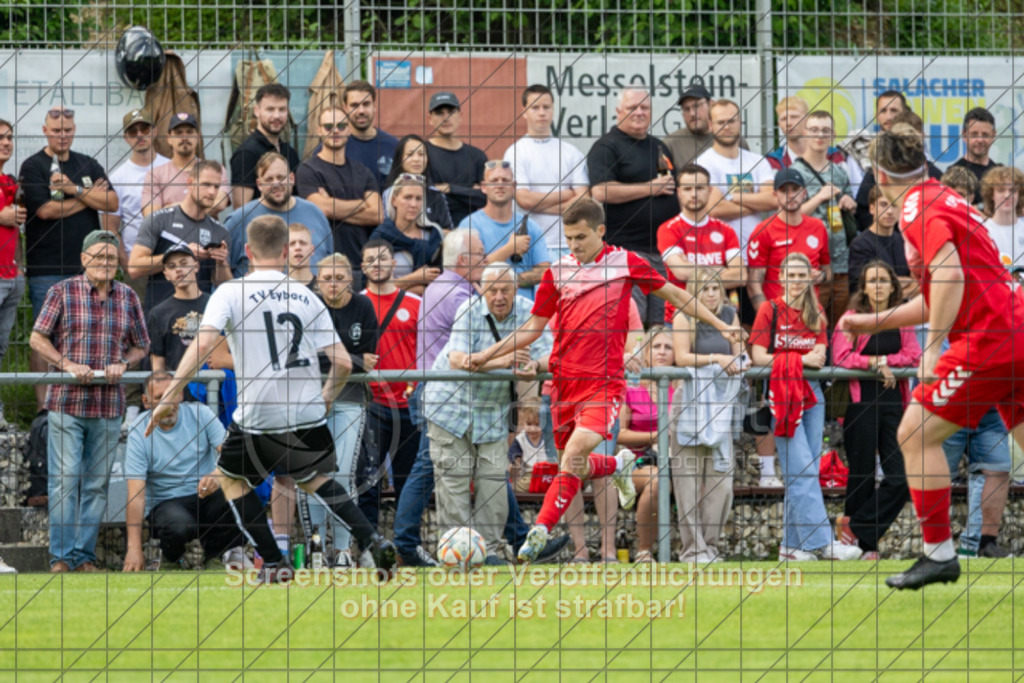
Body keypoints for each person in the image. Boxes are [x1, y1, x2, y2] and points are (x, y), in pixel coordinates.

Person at [467, 198, 741, 562]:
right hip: (564, 386)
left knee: (577, 452)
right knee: (573, 465)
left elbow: (675, 294)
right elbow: (532, 329)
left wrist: (723, 325)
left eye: (581, 237)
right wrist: (487, 355)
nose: (575, 245)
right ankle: (618, 464)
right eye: (569, 238)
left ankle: (541, 531)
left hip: (604, 383)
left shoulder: (626, 263)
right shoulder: (557, 273)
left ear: (600, 231)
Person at [145, 214, 394, 581]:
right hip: (305, 409)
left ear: (247, 251)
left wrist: (169, 394)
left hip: (258, 412)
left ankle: (275, 562)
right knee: (314, 478)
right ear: (283, 251)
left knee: (232, 481)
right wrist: (326, 396)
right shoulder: (307, 295)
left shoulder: (231, 292)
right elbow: (342, 361)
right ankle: (371, 539)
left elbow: (203, 344)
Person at [839, 123, 1024, 589]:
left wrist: (935, 346)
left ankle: (938, 553)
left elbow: (949, 277)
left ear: (879, 173)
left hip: (989, 337)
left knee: (915, 434)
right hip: (1011, 327)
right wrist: (871, 322)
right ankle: (939, 554)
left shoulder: (918, 205)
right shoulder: (940, 195)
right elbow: (945, 286)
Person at [29, 230, 149, 573]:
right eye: (98, 258)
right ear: (84, 260)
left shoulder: (127, 297)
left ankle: (83, 557)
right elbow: (37, 338)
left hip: (109, 405)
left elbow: (142, 345)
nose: (106, 264)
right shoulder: (61, 292)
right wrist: (66, 364)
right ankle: (61, 559)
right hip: (67, 402)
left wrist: (124, 363)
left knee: (96, 484)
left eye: (111, 258)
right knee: (65, 481)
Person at [425, 262, 552, 564]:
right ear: (482, 290)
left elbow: (549, 353)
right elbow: (458, 360)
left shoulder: (529, 311)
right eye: (492, 290)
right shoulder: (468, 310)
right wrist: (505, 361)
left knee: (494, 482)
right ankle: (457, 557)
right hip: (450, 409)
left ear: (515, 289)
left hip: (492, 411)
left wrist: (535, 365)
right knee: (453, 482)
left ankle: (490, 553)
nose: (498, 296)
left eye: (505, 289)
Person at [750, 252, 861, 562]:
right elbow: (758, 356)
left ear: (811, 278)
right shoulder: (769, 310)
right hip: (783, 393)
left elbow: (821, 355)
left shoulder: (817, 313)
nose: (797, 281)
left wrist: (802, 359)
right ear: (781, 278)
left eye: (802, 275)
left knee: (807, 470)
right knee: (800, 471)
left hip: (812, 395)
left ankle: (791, 547)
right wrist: (799, 359)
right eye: (792, 275)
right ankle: (821, 543)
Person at [22, 107, 119, 408]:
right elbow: (45, 211)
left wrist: (71, 189)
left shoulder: (87, 163)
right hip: (47, 268)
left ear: (74, 130)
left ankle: (79, 402)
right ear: (45, 130)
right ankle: (43, 408)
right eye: (56, 130)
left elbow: (112, 202)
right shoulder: (33, 166)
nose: (62, 135)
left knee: (86, 333)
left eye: (67, 130)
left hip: (88, 271)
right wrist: (87, 197)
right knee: (44, 336)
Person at [833, 260, 920, 559]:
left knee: (901, 478)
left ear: (893, 286)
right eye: (872, 280)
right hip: (860, 404)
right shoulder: (851, 319)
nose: (878, 285)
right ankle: (863, 547)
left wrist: (885, 362)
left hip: (894, 404)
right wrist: (875, 364)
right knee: (862, 474)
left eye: (884, 280)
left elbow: (913, 355)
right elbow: (842, 357)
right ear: (864, 286)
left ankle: (854, 527)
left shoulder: (902, 318)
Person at [123, 372, 247, 571]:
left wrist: (218, 474)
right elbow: (135, 495)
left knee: (236, 488)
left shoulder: (202, 414)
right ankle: (172, 560)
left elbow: (233, 456)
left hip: (206, 493)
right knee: (178, 525)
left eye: (172, 395)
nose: (167, 404)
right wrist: (133, 549)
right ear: (146, 402)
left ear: (180, 395)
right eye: (159, 398)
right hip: (167, 503)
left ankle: (221, 557)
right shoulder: (138, 431)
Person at [588, 87, 679, 326]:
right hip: (627, 253)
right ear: (619, 111)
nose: (639, 112)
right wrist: (650, 188)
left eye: (644, 108)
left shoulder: (658, 146)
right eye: (632, 108)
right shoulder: (607, 147)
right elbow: (600, 191)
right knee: (633, 324)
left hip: (663, 254)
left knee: (662, 326)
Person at [671, 268, 743, 563]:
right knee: (687, 480)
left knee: (721, 481)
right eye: (703, 289)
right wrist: (717, 359)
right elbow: (682, 357)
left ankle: (710, 547)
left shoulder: (730, 315)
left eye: (714, 288)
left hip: (721, 405)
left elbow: (740, 351)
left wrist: (738, 358)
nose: (711, 294)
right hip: (689, 403)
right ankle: (693, 549)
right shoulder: (683, 317)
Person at [315, 253, 379, 567]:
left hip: (351, 397)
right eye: (327, 278)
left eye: (339, 278)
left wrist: (348, 361)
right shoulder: (310, 306)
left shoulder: (363, 307)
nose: (333, 284)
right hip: (312, 399)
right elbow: (305, 359)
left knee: (342, 472)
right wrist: (349, 360)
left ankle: (342, 550)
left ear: (350, 281)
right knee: (313, 473)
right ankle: (315, 548)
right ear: (317, 281)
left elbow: (369, 361)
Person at [359, 239, 421, 528]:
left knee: (407, 480)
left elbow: (427, 352)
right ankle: (370, 547)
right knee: (368, 479)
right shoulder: (357, 303)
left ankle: (407, 545)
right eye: (370, 260)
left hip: (409, 404)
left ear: (394, 264)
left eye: (382, 258)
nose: (377, 264)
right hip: (370, 404)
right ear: (363, 267)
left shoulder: (416, 303)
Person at [128, 159, 231, 310]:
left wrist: (222, 263)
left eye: (216, 186)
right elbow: (134, 268)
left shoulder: (219, 231)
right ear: (190, 183)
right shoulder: (160, 219)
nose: (212, 192)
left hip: (201, 317)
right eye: (206, 184)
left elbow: (224, 287)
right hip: (161, 316)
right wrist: (181, 253)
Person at [612, 326, 676, 562]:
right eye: (656, 347)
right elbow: (619, 434)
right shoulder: (631, 388)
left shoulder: (680, 388)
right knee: (657, 480)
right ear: (646, 352)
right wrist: (654, 436)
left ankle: (700, 550)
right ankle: (644, 551)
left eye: (668, 347)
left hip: (677, 458)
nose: (661, 352)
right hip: (637, 462)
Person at [503, 84, 589, 255]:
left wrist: (538, 206)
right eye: (535, 107)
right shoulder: (515, 152)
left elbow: (584, 201)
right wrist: (566, 194)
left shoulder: (570, 152)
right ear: (524, 111)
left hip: (569, 246)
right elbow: (524, 199)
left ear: (553, 110)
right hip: (531, 247)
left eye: (546, 107)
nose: (542, 112)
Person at [295, 106, 382, 274]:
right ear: (319, 130)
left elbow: (377, 214)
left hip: (359, 264)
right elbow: (322, 209)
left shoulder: (363, 172)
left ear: (349, 130)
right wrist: (362, 204)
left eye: (341, 126)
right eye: (328, 127)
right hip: (322, 264)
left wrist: (332, 205)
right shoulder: (307, 170)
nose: (335, 131)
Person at [657, 163, 744, 322]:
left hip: (719, 317)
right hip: (680, 317)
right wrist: (721, 270)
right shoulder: (668, 229)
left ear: (710, 191)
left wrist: (694, 271)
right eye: (687, 189)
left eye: (699, 188)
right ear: (679, 193)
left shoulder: (726, 230)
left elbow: (740, 275)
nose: (694, 194)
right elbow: (681, 272)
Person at [793, 110, 858, 320]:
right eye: (814, 130)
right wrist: (819, 198)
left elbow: (850, 205)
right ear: (804, 133)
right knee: (811, 326)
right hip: (812, 265)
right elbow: (788, 214)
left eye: (825, 131)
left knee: (840, 329)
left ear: (833, 135)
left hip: (841, 263)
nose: (820, 135)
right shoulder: (795, 173)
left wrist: (849, 203)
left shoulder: (839, 172)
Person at [226, 152, 333, 278]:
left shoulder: (315, 213)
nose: (276, 184)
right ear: (259, 184)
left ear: (292, 178)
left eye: (281, 177)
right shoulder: (238, 220)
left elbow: (329, 263)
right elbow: (221, 273)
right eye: (269, 179)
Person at [460, 160, 552, 298]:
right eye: (494, 180)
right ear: (484, 187)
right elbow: (472, 272)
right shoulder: (469, 225)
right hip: (486, 311)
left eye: (505, 180)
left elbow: (544, 272)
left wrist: (510, 281)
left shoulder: (531, 226)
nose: (500, 185)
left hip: (525, 311)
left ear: (514, 186)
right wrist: (510, 249)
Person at [697, 99, 775, 251]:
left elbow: (772, 199)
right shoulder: (702, 164)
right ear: (711, 126)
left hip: (757, 253)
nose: (727, 127)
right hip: (719, 254)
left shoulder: (757, 161)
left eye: (732, 121)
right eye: (721, 122)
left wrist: (733, 197)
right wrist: (757, 205)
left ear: (740, 123)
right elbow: (715, 209)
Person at [103, 109, 170, 281]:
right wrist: (126, 263)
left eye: (145, 130)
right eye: (133, 132)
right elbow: (110, 227)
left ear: (154, 132)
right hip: (139, 266)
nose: (140, 135)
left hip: (175, 261)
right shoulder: (117, 178)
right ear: (126, 138)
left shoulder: (173, 169)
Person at [141, 112, 229, 218]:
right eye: (178, 133)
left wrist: (171, 208)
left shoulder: (215, 170)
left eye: (189, 132)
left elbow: (219, 203)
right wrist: (201, 207)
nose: (184, 138)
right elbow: (151, 216)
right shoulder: (155, 175)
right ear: (169, 138)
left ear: (197, 137)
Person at [368, 175, 443, 294]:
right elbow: (372, 286)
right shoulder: (381, 237)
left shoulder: (433, 235)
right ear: (394, 201)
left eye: (418, 199)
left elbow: (443, 281)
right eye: (407, 197)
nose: (413, 204)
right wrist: (414, 279)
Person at [230, 83, 300, 209]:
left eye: (282, 109)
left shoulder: (290, 152)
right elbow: (241, 210)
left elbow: (296, 199)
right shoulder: (246, 153)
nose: (277, 116)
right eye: (270, 109)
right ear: (257, 111)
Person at [425, 92, 487, 225]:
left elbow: (486, 197)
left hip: (470, 233)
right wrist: (470, 191)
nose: (446, 118)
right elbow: (429, 197)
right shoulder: (422, 153)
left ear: (460, 116)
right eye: (439, 113)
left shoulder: (477, 156)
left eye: (451, 112)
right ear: (429, 118)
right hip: (435, 232)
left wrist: (449, 189)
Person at [0, 118, 26, 430]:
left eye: (9, 138)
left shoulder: (10, 182)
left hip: (11, 276)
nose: (6, 143)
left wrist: (21, 268)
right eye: (0, 138)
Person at [846, 187, 914, 297]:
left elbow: (919, 284)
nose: (890, 211)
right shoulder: (860, 244)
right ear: (872, 208)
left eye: (895, 205)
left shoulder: (904, 241)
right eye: (883, 205)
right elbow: (865, 288)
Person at [663, 84, 750, 168]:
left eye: (696, 106)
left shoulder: (733, 139)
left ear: (711, 104)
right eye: (686, 109)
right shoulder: (671, 145)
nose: (692, 113)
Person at [383, 135, 453, 231]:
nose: (416, 159)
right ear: (400, 159)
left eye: (421, 154)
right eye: (410, 154)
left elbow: (448, 230)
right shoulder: (390, 193)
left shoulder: (436, 194)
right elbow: (387, 230)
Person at [343, 81, 399, 188]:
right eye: (354, 105)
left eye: (366, 104)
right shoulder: (332, 148)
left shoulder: (394, 147)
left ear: (374, 106)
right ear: (345, 108)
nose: (361, 111)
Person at [950, 107, 1001, 204]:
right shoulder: (953, 174)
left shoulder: (1000, 173)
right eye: (974, 134)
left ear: (993, 135)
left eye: (985, 134)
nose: (980, 140)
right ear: (964, 135)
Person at [979, 165, 1024, 270]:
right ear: (991, 194)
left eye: (1012, 190)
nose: (1007, 195)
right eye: (1000, 190)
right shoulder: (982, 232)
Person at [508, 397, 548, 493]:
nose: (532, 429)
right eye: (529, 424)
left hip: (547, 474)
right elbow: (515, 460)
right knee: (513, 486)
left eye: (537, 425)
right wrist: (513, 468)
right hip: (530, 475)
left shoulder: (548, 437)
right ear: (523, 423)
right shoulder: (520, 440)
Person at [287, 222, 316, 287]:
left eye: (303, 243)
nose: (298, 247)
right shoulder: (277, 289)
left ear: (312, 250)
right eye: (292, 244)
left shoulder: (323, 288)